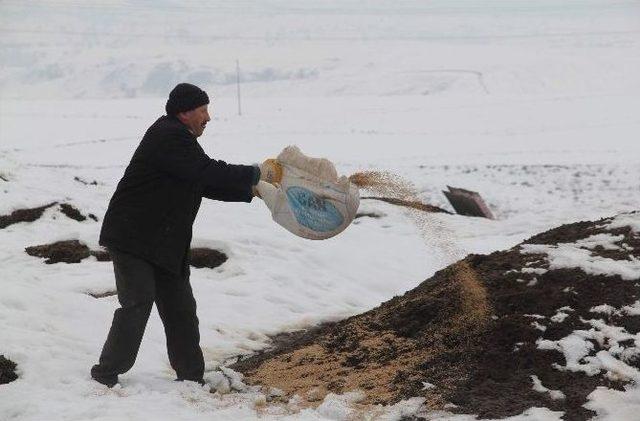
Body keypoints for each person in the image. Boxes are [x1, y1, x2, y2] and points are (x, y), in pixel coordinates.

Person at [91, 83, 281, 387]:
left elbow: (200, 182)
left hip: (164, 242)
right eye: (203, 110)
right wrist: (256, 173)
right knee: (138, 301)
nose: (208, 117)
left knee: (180, 309)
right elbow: (205, 171)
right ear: (184, 113)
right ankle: (106, 373)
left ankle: (191, 377)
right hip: (132, 237)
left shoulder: (181, 140)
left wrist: (252, 190)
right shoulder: (167, 136)